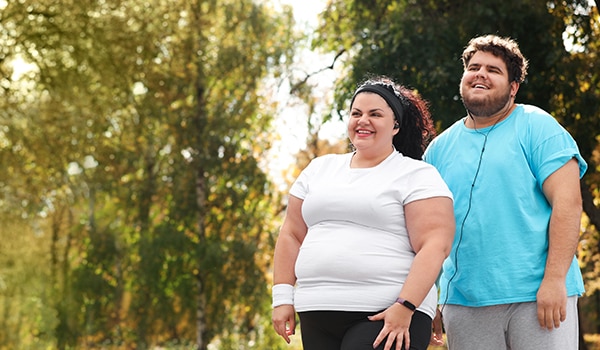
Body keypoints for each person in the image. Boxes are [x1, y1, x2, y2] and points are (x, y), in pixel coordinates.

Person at [424, 34, 587, 350]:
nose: (480, 73)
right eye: (473, 67)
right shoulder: (438, 150)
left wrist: (554, 281)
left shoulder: (538, 126)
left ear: (513, 87)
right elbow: (428, 230)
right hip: (463, 303)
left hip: (537, 297)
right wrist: (429, 296)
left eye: (493, 70)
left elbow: (568, 204)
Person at [271, 76, 455, 350]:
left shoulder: (417, 175)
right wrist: (282, 297)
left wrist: (405, 306)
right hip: (317, 313)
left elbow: (435, 245)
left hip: (386, 314)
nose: (363, 120)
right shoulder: (318, 169)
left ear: (395, 125)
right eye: (356, 113)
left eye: (375, 114)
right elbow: (292, 234)